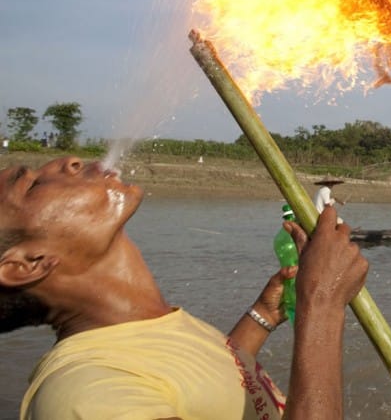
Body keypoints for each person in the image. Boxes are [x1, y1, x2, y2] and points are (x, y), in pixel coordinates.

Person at [0, 156, 368, 419]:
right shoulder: (89, 397)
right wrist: (321, 305)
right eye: (30, 185)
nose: (69, 161)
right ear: (25, 265)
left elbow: (202, 384)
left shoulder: (145, 326)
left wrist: (263, 315)